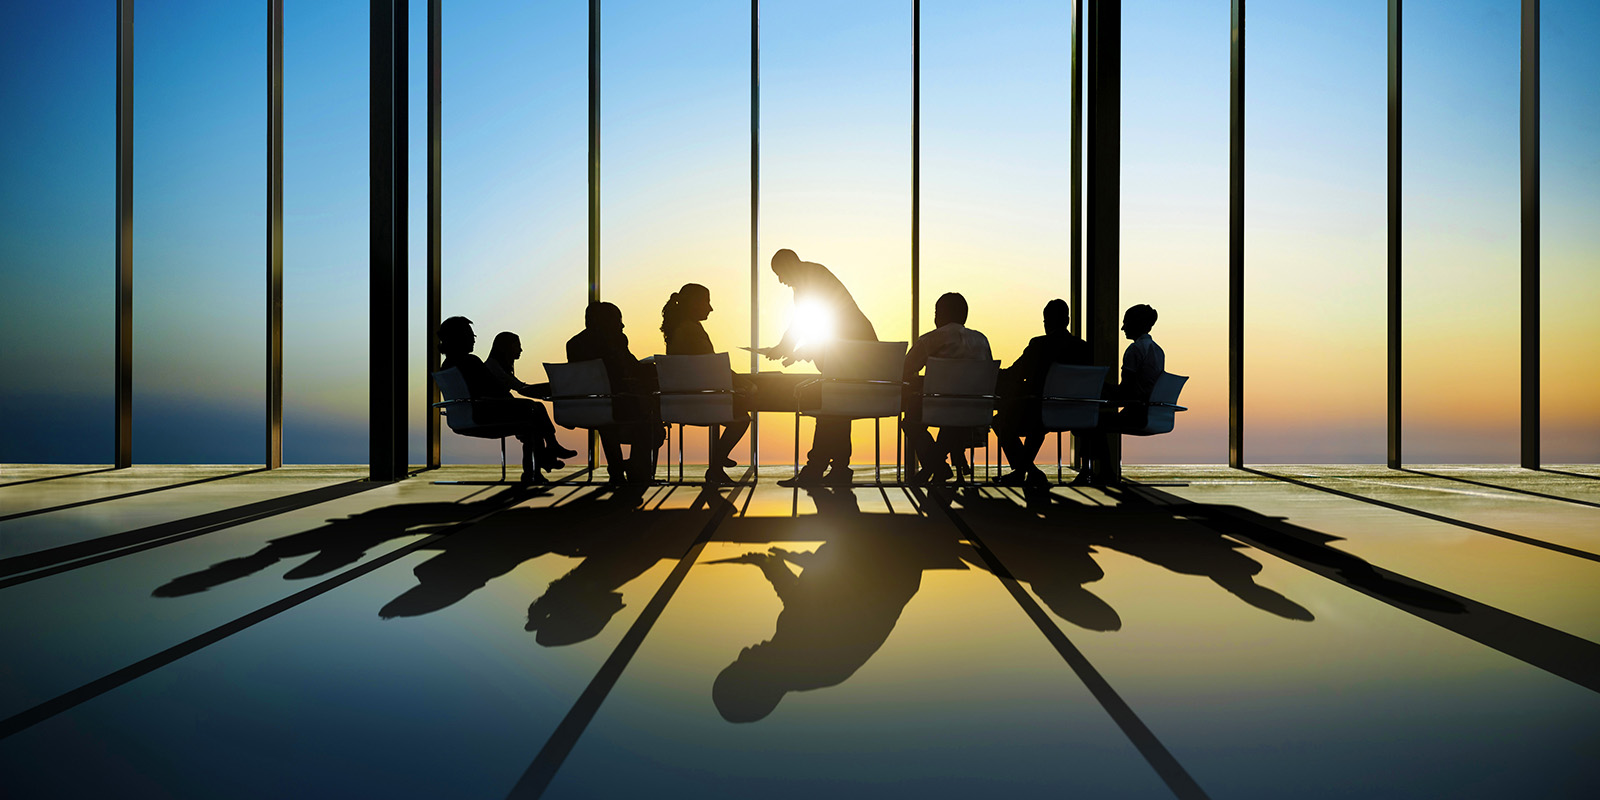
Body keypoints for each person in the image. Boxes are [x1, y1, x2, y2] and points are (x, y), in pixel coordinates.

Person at [760, 249, 879, 487]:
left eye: (780, 274)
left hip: (850, 352)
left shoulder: (808, 283)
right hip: (855, 350)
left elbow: (808, 323)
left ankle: (817, 469)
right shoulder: (813, 276)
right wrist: (791, 349)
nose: (781, 281)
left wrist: (788, 348)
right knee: (837, 409)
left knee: (828, 406)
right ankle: (835, 469)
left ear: (790, 265)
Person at [438, 316, 565, 482]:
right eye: (470, 335)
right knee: (534, 411)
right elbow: (494, 389)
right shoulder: (470, 361)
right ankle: (545, 456)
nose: (474, 340)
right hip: (484, 415)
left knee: (531, 418)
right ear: (459, 337)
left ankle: (538, 466)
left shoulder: (447, 365)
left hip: (465, 418)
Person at [991, 299, 1091, 487]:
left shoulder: (1039, 345)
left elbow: (1016, 373)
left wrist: (992, 374)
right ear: (1067, 320)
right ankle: (1025, 471)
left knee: (1000, 421)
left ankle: (1027, 471)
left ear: (1046, 322)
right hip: (1076, 413)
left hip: (1040, 411)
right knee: (1036, 421)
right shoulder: (1082, 347)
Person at [661, 283, 751, 484]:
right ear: (694, 303)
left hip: (679, 403)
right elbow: (711, 366)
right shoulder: (691, 330)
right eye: (707, 302)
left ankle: (717, 463)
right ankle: (716, 463)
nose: (710, 308)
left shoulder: (677, 329)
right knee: (742, 417)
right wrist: (744, 382)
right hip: (700, 403)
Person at [901, 292, 992, 484]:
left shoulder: (930, 340)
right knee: (953, 418)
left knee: (910, 421)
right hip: (975, 413)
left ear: (940, 314)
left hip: (940, 409)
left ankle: (936, 466)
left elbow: (905, 368)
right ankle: (948, 461)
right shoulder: (982, 341)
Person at [566, 301, 662, 484]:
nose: (622, 325)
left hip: (586, 405)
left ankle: (618, 468)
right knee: (649, 415)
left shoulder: (574, 344)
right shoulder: (614, 340)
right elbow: (628, 369)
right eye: (619, 320)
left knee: (608, 420)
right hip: (619, 404)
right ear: (607, 321)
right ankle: (636, 467)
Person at [1078, 303, 1165, 486]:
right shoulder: (1158, 351)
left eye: (1126, 322)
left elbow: (1125, 391)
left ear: (1138, 324)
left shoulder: (1134, 350)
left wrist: (1099, 386)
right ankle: (1101, 471)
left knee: (1091, 422)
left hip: (1136, 412)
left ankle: (1095, 471)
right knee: (1097, 421)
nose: (1122, 327)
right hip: (1151, 412)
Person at [485, 332, 577, 463]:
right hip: (496, 411)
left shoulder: (497, 366)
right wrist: (552, 389)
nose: (521, 350)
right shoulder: (494, 368)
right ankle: (549, 451)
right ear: (506, 348)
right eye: (517, 346)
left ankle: (543, 460)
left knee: (535, 425)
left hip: (500, 407)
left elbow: (520, 387)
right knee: (536, 412)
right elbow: (520, 388)